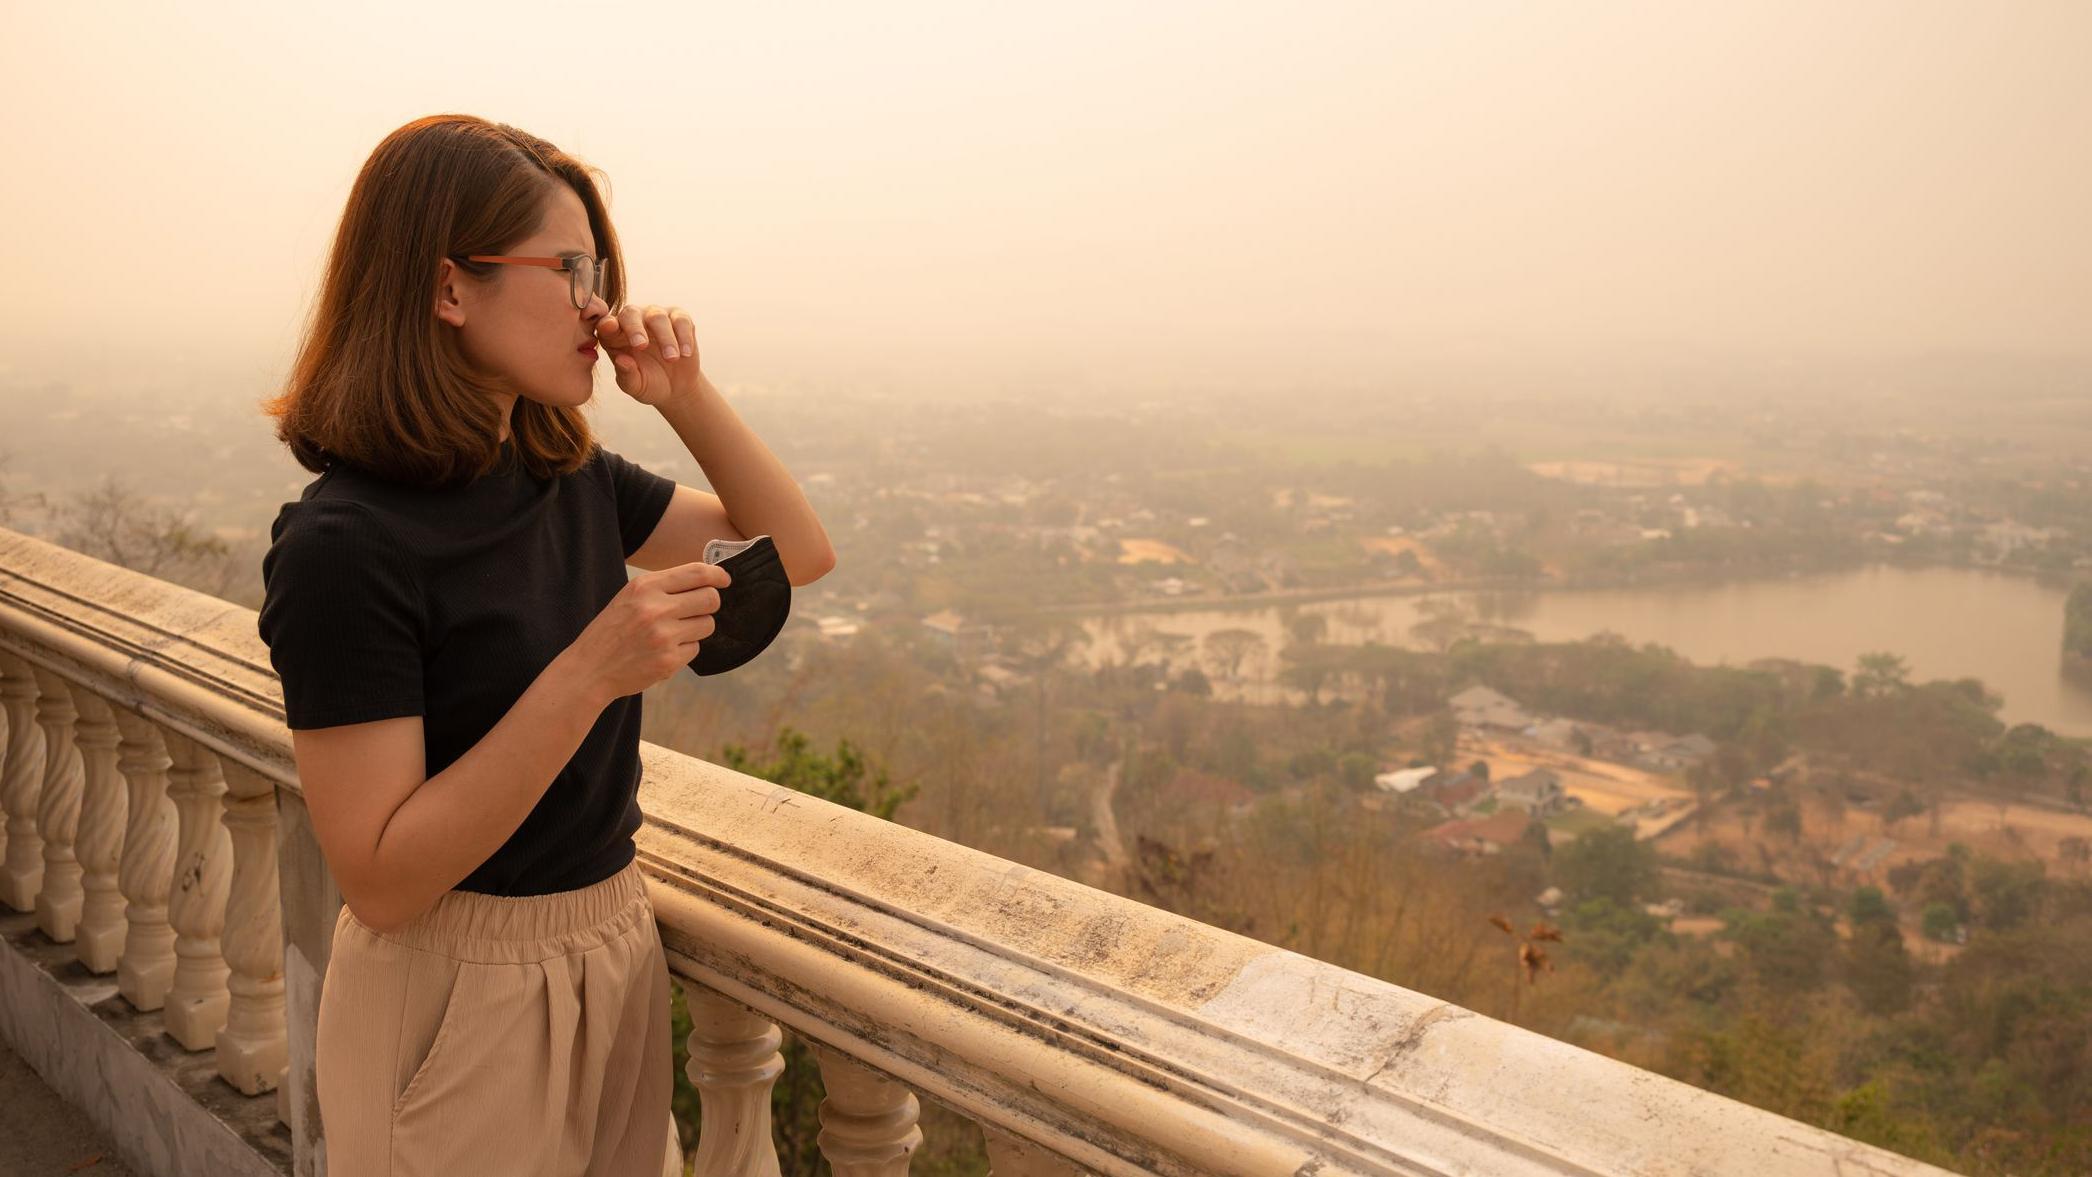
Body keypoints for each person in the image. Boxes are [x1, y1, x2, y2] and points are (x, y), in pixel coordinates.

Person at [255, 114, 833, 1176]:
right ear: (447, 289)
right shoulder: (345, 545)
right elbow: (380, 878)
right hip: (449, 989)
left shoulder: (562, 479)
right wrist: (589, 672)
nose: (599, 304)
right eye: (568, 269)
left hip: (613, 944)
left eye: (600, 270)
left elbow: (791, 552)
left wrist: (685, 395)